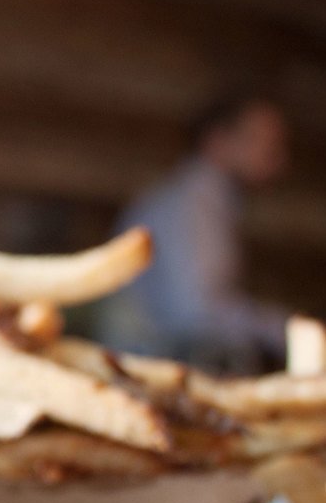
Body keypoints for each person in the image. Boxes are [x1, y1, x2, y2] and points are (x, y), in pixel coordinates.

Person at [106, 93, 290, 371]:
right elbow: (194, 310)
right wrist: (284, 329)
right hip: (148, 368)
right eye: (259, 140)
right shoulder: (189, 205)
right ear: (216, 140)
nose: (275, 155)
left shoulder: (210, 203)